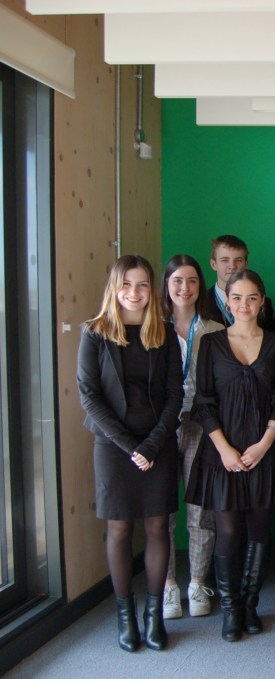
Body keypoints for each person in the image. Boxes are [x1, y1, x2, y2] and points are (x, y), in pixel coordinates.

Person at [77, 254, 183, 652]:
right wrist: (129, 446)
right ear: (114, 288)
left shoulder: (164, 332)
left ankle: (154, 616)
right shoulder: (94, 333)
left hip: (158, 442)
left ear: (150, 290)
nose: (134, 293)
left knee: (157, 527)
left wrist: (151, 445)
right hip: (113, 445)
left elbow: (175, 395)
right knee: (119, 528)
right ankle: (126, 617)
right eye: (126, 284)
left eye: (141, 285)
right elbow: (89, 396)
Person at [185, 269, 275, 641]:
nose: (244, 305)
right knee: (229, 530)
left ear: (262, 301)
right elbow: (203, 402)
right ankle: (231, 609)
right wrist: (224, 449)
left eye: (251, 298)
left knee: (260, 529)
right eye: (237, 298)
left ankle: (250, 604)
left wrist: (265, 443)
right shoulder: (212, 343)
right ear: (227, 302)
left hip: (265, 449)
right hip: (222, 452)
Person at [160, 255, 223, 621]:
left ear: (201, 286)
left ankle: (197, 583)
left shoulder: (214, 330)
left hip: (201, 425)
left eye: (192, 281)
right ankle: (169, 584)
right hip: (163, 428)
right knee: (163, 511)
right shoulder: (154, 327)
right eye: (177, 281)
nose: (185, 288)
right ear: (167, 286)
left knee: (201, 511)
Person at [206, 235, 274, 329]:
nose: (232, 266)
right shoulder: (201, 303)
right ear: (214, 264)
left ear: (246, 264)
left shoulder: (264, 304)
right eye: (225, 260)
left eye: (238, 260)